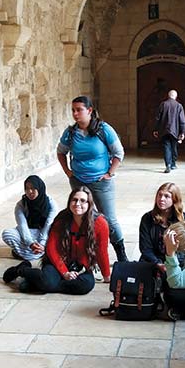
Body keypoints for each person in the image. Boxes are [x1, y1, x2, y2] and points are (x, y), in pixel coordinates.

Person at [56, 96, 128, 263]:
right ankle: (84, 254)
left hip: (101, 182)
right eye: (73, 110)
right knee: (81, 217)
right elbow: (61, 152)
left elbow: (119, 153)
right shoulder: (71, 132)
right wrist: (67, 171)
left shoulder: (104, 129)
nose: (75, 113)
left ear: (89, 110)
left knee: (109, 219)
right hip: (78, 181)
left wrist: (109, 173)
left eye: (79, 110)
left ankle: (121, 254)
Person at [9, 186, 111, 294]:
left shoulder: (100, 223)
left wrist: (106, 276)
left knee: (86, 285)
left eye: (83, 201)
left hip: (80, 267)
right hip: (58, 261)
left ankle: (37, 284)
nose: (77, 204)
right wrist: (65, 273)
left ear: (89, 204)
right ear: (69, 202)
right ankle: (22, 270)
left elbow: (102, 251)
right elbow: (51, 248)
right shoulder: (62, 218)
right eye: (74, 200)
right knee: (49, 281)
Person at [1, 175, 57, 276]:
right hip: (29, 233)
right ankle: (38, 253)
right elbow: (22, 225)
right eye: (27, 189)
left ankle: (27, 253)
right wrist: (30, 243)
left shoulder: (50, 203)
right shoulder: (21, 204)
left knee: (57, 235)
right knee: (7, 234)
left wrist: (42, 243)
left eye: (33, 188)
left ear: (40, 188)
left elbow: (48, 224)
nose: (30, 192)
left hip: (44, 233)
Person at [138, 182, 185, 268]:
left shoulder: (183, 219)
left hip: (176, 262)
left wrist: (172, 264)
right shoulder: (147, 218)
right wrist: (158, 263)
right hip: (153, 262)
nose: (161, 199)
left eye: (166, 196)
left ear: (174, 199)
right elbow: (145, 248)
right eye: (160, 195)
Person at [153, 89, 185, 172]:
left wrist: (156, 129)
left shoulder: (163, 104)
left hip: (164, 130)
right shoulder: (179, 106)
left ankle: (168, 164)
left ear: (168, 96)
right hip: (175, 131)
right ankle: (173, 164)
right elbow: (182, 120)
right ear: (176, 97)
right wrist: (182, 132)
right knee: (174, 147)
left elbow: (157, 118)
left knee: (166, 147)